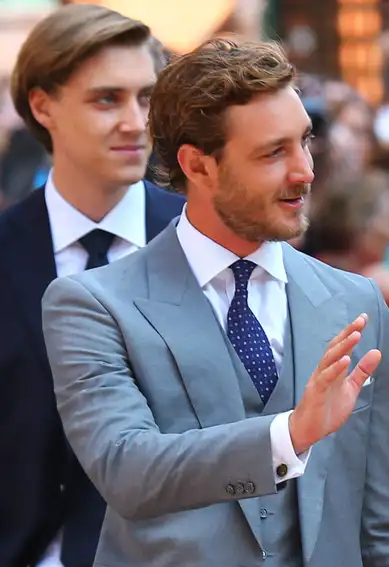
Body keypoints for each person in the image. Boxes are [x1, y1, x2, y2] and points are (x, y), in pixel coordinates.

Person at [38, 39, 389, 566]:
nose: (304, 171)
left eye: (304, 142)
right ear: (198, 165)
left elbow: (384, 526)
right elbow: (127, 471)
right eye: (272, 153)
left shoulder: (356, 300)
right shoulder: (92, 304)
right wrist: (288, 435)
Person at [0, 6, 183, 567]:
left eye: (146, 98)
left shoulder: (211, 238)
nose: (134, 121)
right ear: (42, 105)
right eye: (107, 99)